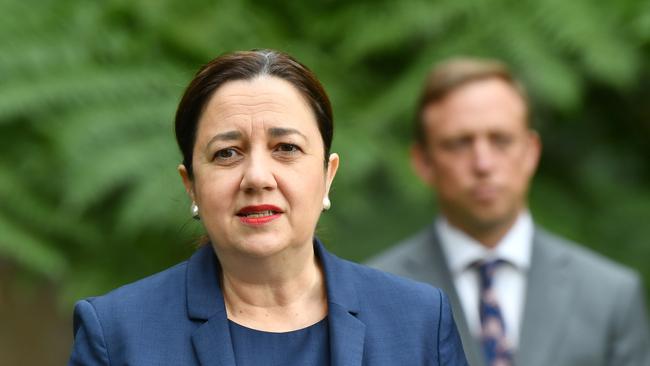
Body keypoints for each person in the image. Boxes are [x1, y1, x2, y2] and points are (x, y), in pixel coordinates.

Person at [68, 49, 468, 365]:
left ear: (328, 175)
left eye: (286, 148)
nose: (257, 177)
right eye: (227, 153)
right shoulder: (117, 333)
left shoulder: (416, 320)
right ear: (190, 185)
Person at [368, 58, 650, 366]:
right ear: (423, 162)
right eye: (460, 144)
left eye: (501, 140)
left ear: (531, 152)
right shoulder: (372, 296)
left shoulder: (609, 295)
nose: (483, 164)